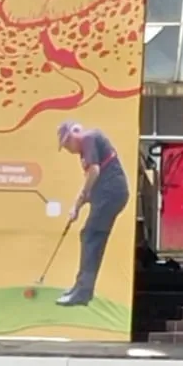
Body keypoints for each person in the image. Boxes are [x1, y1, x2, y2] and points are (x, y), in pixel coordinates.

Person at [55, 120, 130, 307]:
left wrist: (80, 199)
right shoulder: (87, 148)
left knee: (90, 237)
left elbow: (94, 172)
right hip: (106, 195)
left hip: (111, 194)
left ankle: (83, 292)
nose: (67, 149)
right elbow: (92, 185)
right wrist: (77, 207)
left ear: (74, 135)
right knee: (89, 236)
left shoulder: (89, 138)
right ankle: (81, 288)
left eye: (67, 143)